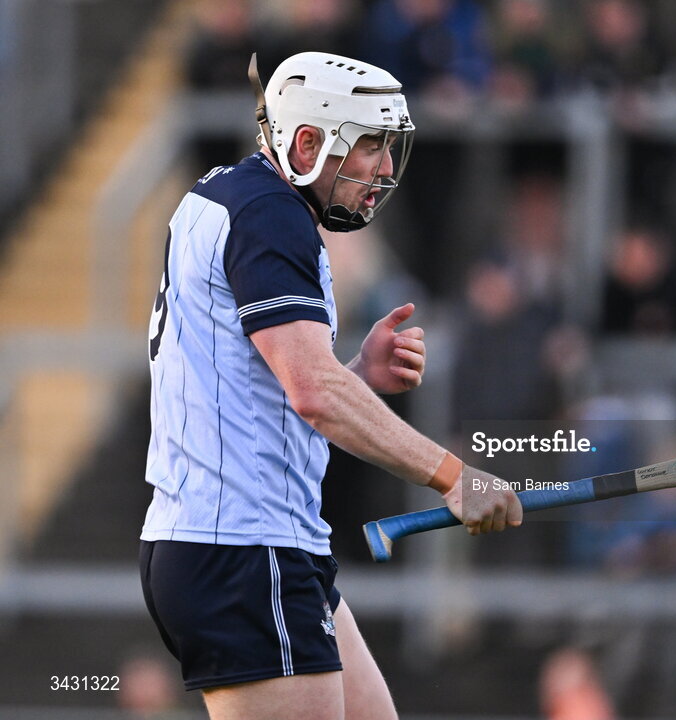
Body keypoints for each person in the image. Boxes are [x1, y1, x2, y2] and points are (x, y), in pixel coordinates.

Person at [139, 51, 522, 720]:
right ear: (308, 143)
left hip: (260, 543)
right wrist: (452, 475)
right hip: (244, 551)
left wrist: (357, 377)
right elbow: (313, 393)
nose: (382, 165)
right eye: (368, 144)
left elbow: (266, 393)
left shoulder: (227, 196)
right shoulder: (270, 216)